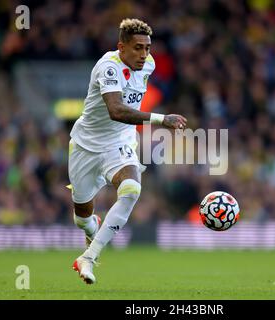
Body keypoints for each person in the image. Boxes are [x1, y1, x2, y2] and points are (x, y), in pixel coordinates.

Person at [68, 18, 187, 284]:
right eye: (137, 48)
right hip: (86, 146)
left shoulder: (150, 64)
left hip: (119, 144)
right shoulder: (108, 67)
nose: (144, 55)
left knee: (132, 189)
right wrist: (160, 119)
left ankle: (88, 257)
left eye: (147, 48)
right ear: (121, 47)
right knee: (82, 219)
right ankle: (92, 228)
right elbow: (116, 111)